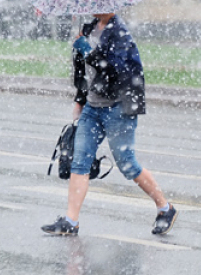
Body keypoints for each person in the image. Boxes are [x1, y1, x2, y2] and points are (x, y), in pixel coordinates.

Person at [41, 13, 177, 236]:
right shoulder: (88, 28)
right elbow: (83, 71)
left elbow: (115, 69)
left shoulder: (120, 33)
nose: (92, 6)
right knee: (79, 162)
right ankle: (70, 221)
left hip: (117, 108)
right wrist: (80, 99)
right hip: (92, 108)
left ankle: (165, 208)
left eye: (97, 2)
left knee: (128, 165)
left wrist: (88, 51)